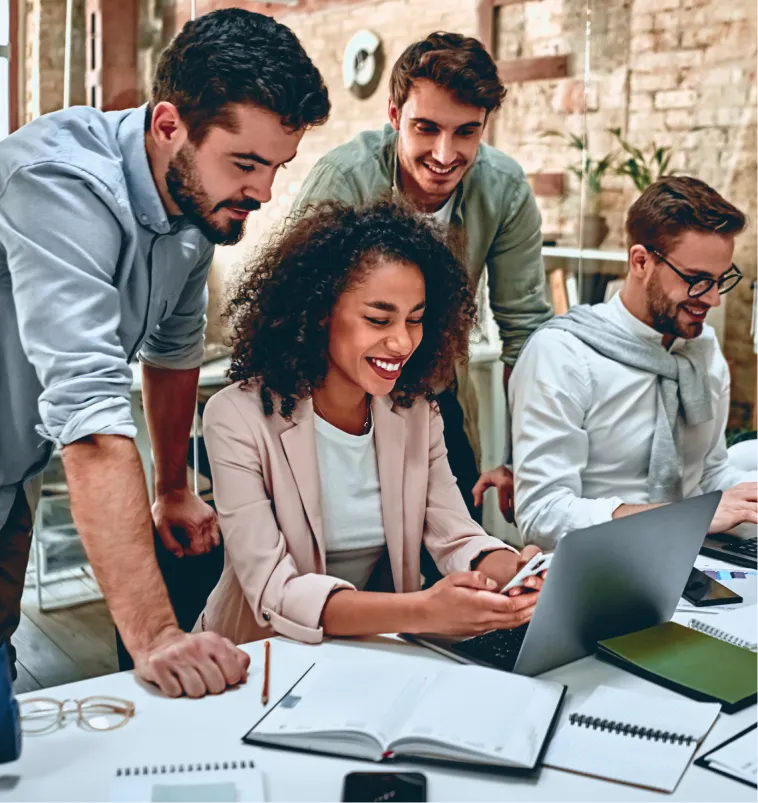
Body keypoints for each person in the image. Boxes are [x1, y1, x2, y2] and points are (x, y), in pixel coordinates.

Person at [0, 9, 330, 696]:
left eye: (277, 166)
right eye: (246, 163)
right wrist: (156, 637)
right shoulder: (60, 184)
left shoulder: (195, 207)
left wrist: (173, 486)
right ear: (168, 124)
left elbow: (173, 349)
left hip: (13, 467)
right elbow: (89, 418)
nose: (263, 194)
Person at [196, 199, 543, 645]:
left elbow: (456, 536)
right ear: (320, 311)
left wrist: (517, 572)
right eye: (378, 319)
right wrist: (423, 611)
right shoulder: (237, 417)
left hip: (370, 654)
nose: (402, 342)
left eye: (415, 320)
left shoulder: (417, 412)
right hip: (254, 659)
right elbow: (275, 592)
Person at [292, 32, 552, 533]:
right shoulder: (343, 181)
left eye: (466, 133)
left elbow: (527, 332)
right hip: (336, 404)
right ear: (394, 117)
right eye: (426, 128)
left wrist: (524, 461)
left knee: (460, 553)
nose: (444, 153)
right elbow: (297, 317)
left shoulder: (504, 189)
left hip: (434, 396)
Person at [509, 176, 758, 549]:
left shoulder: (702, 348)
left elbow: (709, 473)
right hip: (600, 569)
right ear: (640, 261)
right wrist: (686, 517)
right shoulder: (563, 355)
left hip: (700, 561)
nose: (712, 300)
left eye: (720, 281)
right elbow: (542, 516)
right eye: (696, 280)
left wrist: (745, 500)